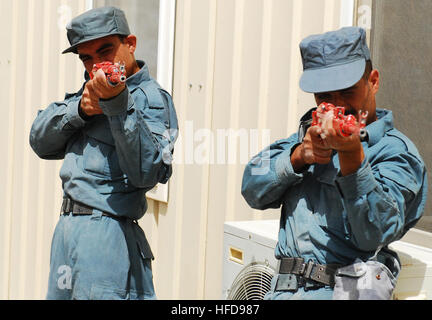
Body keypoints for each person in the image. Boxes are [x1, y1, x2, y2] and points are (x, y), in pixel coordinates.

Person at [241, 27, 427, 300]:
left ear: (373, 81)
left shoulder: (395, 153)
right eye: (325, 97)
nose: (337, 105)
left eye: (348, 92)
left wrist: (352, 157)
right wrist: (298, 157)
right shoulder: (304, 137)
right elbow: (251, 188)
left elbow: (373, 235)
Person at [29, 6, 178, 300]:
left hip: (107, 232)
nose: (97, 64)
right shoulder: (87, 94)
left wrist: (117, 104)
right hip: (67, 230)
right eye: (87, 58)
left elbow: (147, 172)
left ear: (131, 44)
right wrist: (80, 110)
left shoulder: (151, 99)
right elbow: (39, 140)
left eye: (105, 51)